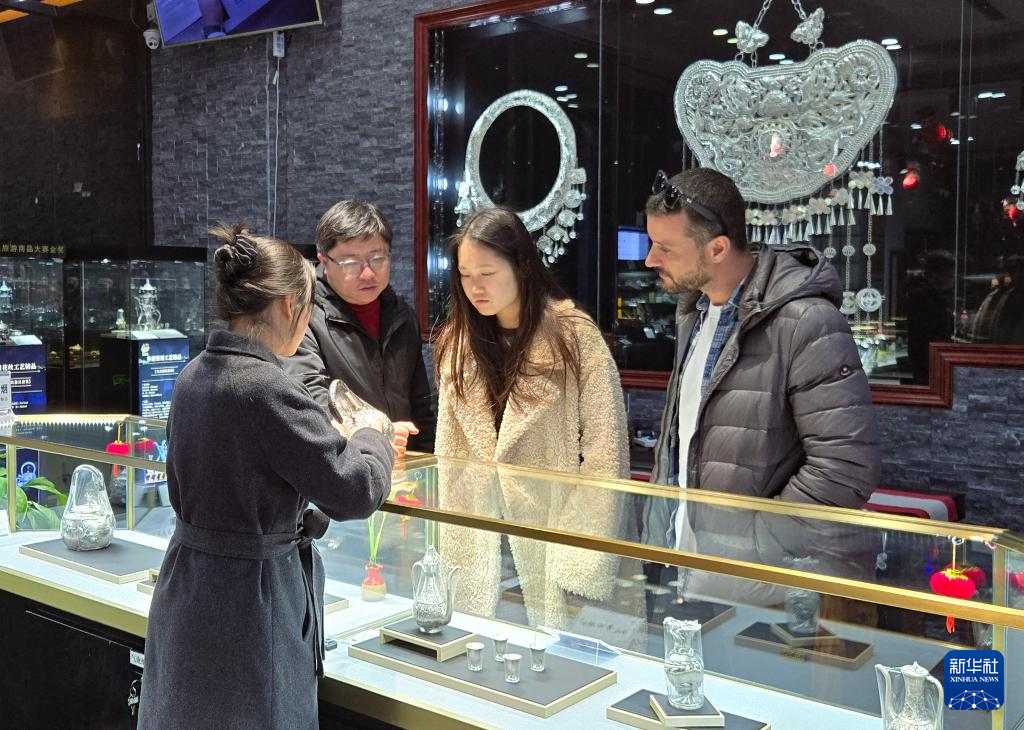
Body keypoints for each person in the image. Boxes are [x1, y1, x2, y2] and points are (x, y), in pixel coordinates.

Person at [138, 224, 394, 730]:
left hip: (187, 587)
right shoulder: (268, 389)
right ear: (287, 304)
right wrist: (372, 434)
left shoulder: (192, 375)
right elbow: (354, 490)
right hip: (251, 604)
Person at [641, 168, 880, 550]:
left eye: (665, 248)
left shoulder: (808, 321)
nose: (650, 259)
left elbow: (845, 469)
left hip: (758, 576)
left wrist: (756, 547)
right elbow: (681, 449)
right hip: (687, 564)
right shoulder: (693, 314)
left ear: (717, 249)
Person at [433, 207, 639, 631]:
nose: (475, 287)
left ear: (521, 266)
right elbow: (450, 454)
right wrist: (450, 543)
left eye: (487, 273)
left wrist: (581, 559)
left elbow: (606, 455)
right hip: (482, 545)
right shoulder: (459, 345)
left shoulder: (573, 337)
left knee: (562, 655)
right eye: (465, 275)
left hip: (554, 540)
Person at [283, 200, 435, 455]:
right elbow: (309, 401)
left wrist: (429, 463)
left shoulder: (402, 316)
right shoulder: (302, 316)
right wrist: (378, 432)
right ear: (324, 260)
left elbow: (420, 408)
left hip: (404, 469)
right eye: (351, 263)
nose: (368, 273)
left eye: (378, 259)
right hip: (342, 465)